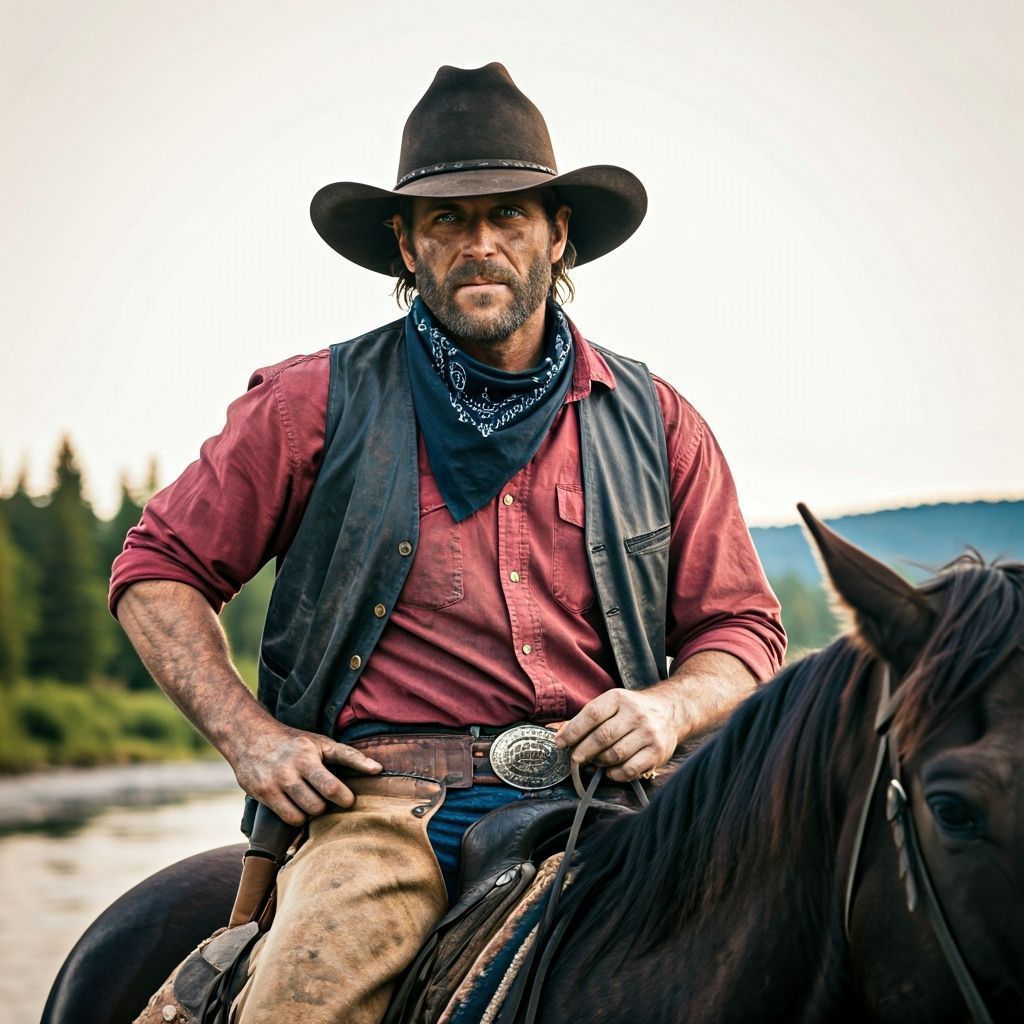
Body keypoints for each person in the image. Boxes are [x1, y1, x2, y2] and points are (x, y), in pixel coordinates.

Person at [111, 63, 785, 1024]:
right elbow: (156, 571)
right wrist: (251, 741)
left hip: (618, 805)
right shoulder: (313, 402)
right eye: (446, 222)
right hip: (385, 814)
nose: (481, 245)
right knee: (299, 1010)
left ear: (558, 235)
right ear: (405, 246)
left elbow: (743, 631)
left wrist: (673, 709)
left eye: (509, 216)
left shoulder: (659, 420)